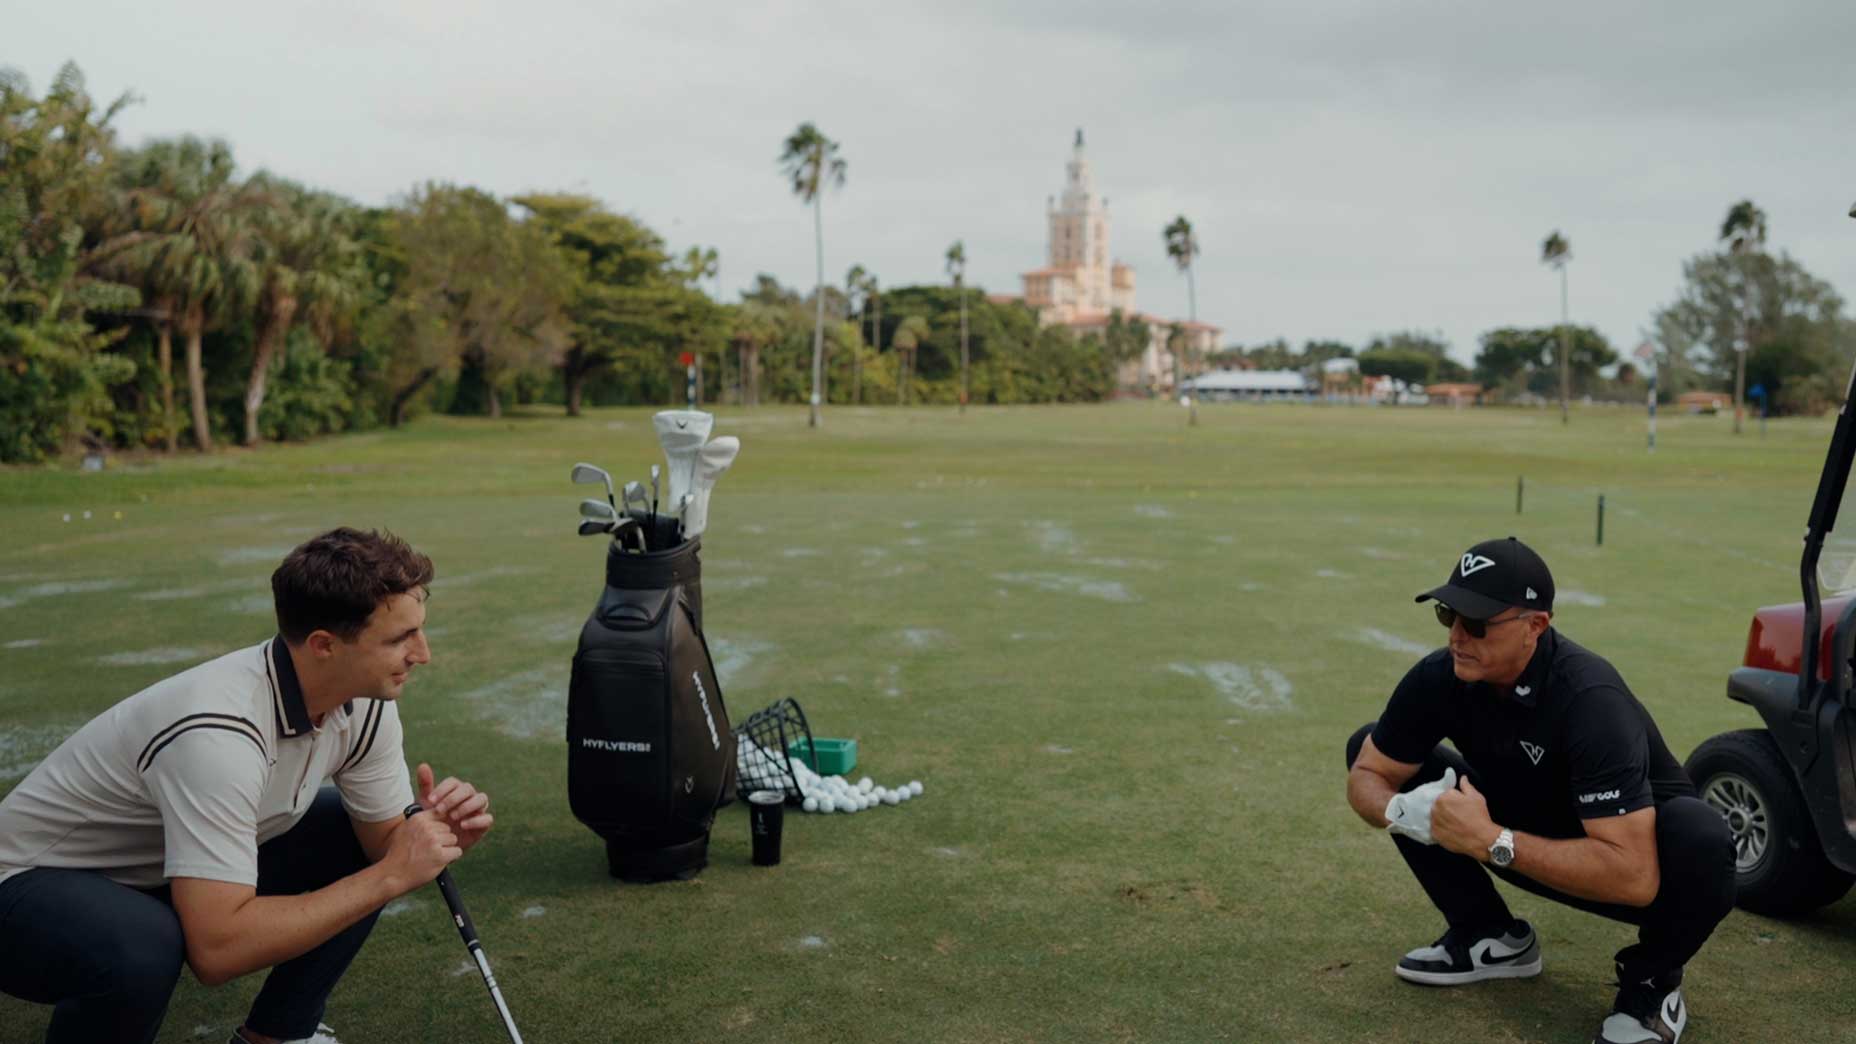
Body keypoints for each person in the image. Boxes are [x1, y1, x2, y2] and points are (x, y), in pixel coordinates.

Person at [0, 527, 492, 1044]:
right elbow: (218, 951)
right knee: (141, 945)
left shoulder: (365, 703)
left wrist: (432, 838)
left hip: (154, 869)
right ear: (324, 644)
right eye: (400, 638)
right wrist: (393, 875)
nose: (424, 653)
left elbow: (384, 843)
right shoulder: (217, 733)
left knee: (346, 833)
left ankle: (275, 1036)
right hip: (27, 885)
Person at [1345, 537, 1736, 1044]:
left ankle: (1651, 984)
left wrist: (1490, 840)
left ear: (1536, 626)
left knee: (1702, 835)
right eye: (1449, 615)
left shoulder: (1591, 699)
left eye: (1478, 622)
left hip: (1640, 871)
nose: (1458, 635)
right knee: (1368, 745)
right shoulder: (1441, 676)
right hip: (1522, 830)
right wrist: (1401, 809)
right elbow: (1367, 774)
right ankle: (1489, 935)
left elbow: (1635, 878)